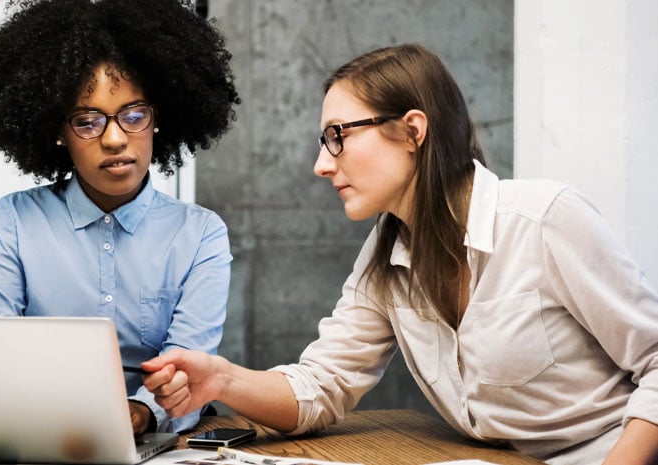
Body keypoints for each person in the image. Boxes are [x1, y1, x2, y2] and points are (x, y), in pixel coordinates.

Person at [141, 44, 658, 464]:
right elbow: (323, 385)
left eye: (337, 137)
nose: (322, 164)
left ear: (413, 130)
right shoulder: (387, 252)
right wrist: (221, 378)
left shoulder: (544, 220)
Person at [0, 0, 239, 434]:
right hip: (38, 432)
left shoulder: (200, 234)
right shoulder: (12, 222)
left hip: (156, 439)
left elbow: (190, 366)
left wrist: (144, 411)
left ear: (157, 120)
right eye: (87, 121)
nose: (114, 138)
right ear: (58, 132)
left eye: (134, 115)